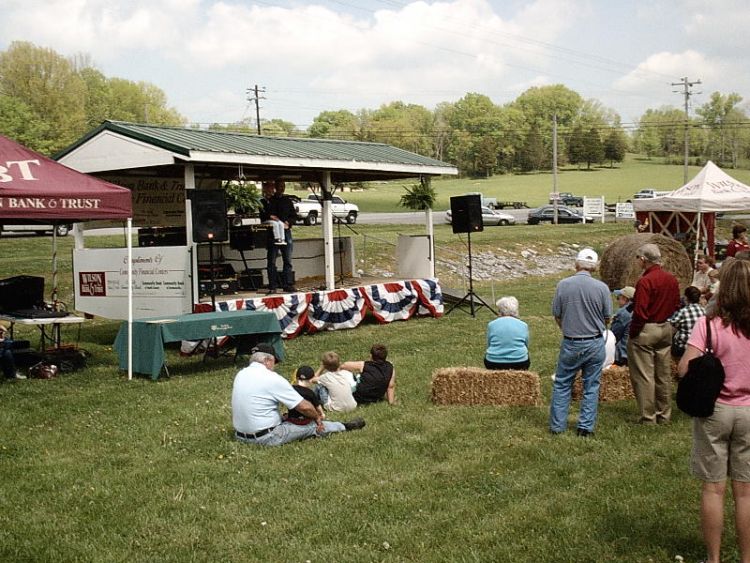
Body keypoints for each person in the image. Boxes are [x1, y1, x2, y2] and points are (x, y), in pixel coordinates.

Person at [678, 259, 750, 563]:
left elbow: (684, 368)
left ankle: (714, 558)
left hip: (715, 410)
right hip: (749, 410)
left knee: (713, 489)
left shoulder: (708, 325)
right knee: (745, 492)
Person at [231, 343, 364, 446]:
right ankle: (344, 426)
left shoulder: (241, 374)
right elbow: (304, 407)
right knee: (312, 425)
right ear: (267, 360)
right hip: (266, 437)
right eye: (274, 362)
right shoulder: (272, 378)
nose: (274, 366)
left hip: (240, 435)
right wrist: (317, 417)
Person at [549, 248, 612, 437]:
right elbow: (607, 317)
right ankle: (585, 427)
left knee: (562, 383)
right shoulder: (602, 288)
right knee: (591, 386)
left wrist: (567, 328)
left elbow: (557, 314)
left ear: (577, 264)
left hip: (571, 341)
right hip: (594, 341)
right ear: (594, 267)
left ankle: (557, 426)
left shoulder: (563, 285)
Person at [628, 243, 681, 424]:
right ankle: (664, 414)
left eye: (638, 258)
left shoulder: (645, 281)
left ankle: (648, 417)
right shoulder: (671, 279)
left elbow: (640, 311)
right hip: (665, 327)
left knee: (644, 375)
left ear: (643, 260)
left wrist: (633, 332)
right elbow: (676, 303)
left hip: (646, 328)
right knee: (663, 374)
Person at [263, 180, 297, 294]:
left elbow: (294, 215)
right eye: (279, 186)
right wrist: (271, 216)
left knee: (287, 259)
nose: (281, 188)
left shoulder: (287, 200)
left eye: (283, 186)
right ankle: (273, 285)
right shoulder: (270, 200)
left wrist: (289, 222)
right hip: (273, 233)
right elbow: (264, 214)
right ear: (275, 187)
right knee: (272, 260)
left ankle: (288, 284)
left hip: (286, 231)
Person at [483, 296, 530, 370]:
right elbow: (526, 344)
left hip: (493, 362)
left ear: (500, 311)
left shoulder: (491, 324)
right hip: (520, 362)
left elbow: (489, 344)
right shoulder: (523, 325)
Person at [669, 286, 705, 358]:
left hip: (682, 346)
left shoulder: (684, 311)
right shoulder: (704, 311)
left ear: (686, 297)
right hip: (698, 346)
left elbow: (672, 323)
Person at [610, 286, 635, 367]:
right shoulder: (636, 310)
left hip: (621, 353)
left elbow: (614, 334)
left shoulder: (624, 313)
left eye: (618, 297)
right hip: (633, 352)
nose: (617, 300)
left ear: (625, 299)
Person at [258, 181, 286, 246]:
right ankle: (277, 238)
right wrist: (270, 216)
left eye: (271, 191)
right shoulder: (262, 201)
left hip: (273, 219)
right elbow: (262, 213)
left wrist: (276, 217)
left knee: (281, 223)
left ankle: (282, 239)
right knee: (275, 224)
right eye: (268, 191)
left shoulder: (273, 200)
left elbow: (275, 210)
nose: (270, 192)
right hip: (265, 219)